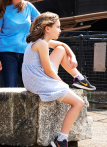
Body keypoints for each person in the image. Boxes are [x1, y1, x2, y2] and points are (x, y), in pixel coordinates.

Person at [0, 0, 82, 88]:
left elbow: (44, 21)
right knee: (10, 87)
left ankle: (78, 78)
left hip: (27, 53)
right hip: (6, 54)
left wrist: (53, 28)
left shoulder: (28, 7)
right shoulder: (1, 10)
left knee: (32, 86)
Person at [22, 12, 94, 147]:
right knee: (78, 103)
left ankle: (79, 78)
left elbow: (62, 45)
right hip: (38, 80)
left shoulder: (40, 41)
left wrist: (73, 57)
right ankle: (61, 139)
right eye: (58, 27)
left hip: (35, 78)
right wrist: (61, 83)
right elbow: (47, 70)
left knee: (60, 48)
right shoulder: (42, 44)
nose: (60, 30)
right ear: (47, 28)